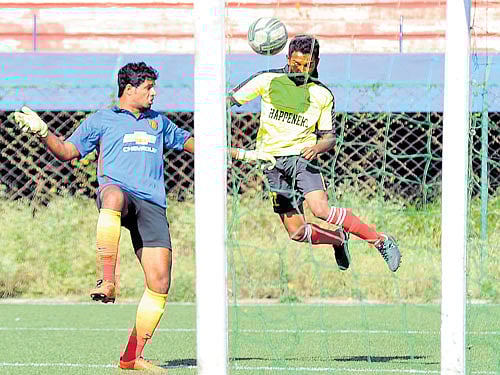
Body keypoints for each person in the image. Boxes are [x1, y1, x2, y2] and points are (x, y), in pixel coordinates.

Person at [11, 62, 192, 372]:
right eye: (148, 87)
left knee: (160, 283)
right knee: (112, 194)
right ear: (129, 89)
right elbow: (68, 151)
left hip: (152, 206)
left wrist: (238, 153)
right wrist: (42, 132)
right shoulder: (102, 120)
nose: (154, 93)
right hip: (119, 195)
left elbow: (192, 144)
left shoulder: (158, 123)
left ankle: (131, 357)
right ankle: (107, 280)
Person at [228, 35, 401, 272]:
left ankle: (380, 241)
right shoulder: (266, 80)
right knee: (297, 232)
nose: (300, 69)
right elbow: (228, 101)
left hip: (301, 159)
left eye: (307, 65)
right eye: (295, 64)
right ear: (287, 58)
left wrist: (318, 147)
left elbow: (329, 136)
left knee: (321, 210)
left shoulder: (322, 95)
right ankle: (338, 240)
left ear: (316, 62)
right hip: (270, 162)